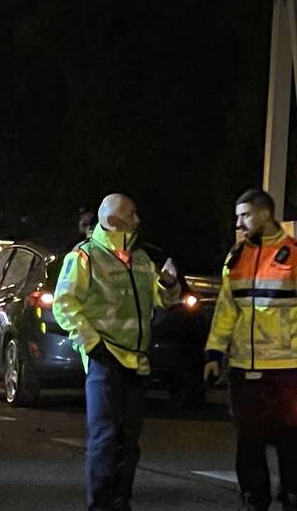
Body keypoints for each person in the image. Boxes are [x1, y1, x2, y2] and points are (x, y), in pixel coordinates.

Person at [53, 193, 180, 511]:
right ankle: (101, 505)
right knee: (105, 438)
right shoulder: (85, 256)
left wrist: (167, 284)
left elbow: (162, 300)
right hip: (104, 358)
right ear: (113, 219)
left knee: (129, 442)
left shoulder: (140, 258)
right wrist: (92, 343)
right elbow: (64, 304)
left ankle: (121, 502)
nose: (138, 220)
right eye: (132, 214)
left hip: (136, 359)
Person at [204, 189, 297, 511]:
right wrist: (214, 353)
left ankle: (292, 497)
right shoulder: (237, 256)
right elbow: (226, 309)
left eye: (244, 215)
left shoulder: (293, 254)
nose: (239, 223)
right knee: (249, 442)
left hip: (287, 368)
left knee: (291, 441)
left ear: (265, 215)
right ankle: (253, 500)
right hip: (245, 367)